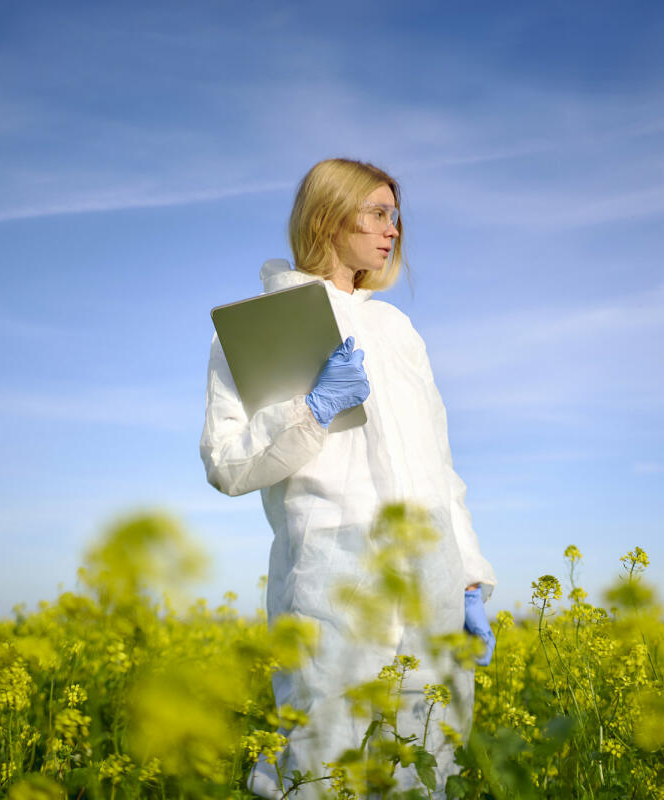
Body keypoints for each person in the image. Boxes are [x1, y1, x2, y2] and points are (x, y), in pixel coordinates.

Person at [201, 158, 497, 798]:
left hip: (431, 574)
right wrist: (311, 409)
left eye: (397, 216)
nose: (393, 230)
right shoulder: (262, 322)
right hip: (334, 575)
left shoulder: (400, 330)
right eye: (378, 213)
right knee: (323, 763)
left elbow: (441, 466)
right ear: (328, 216)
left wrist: (468, 575)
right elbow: (226, 463)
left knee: (427, 762)